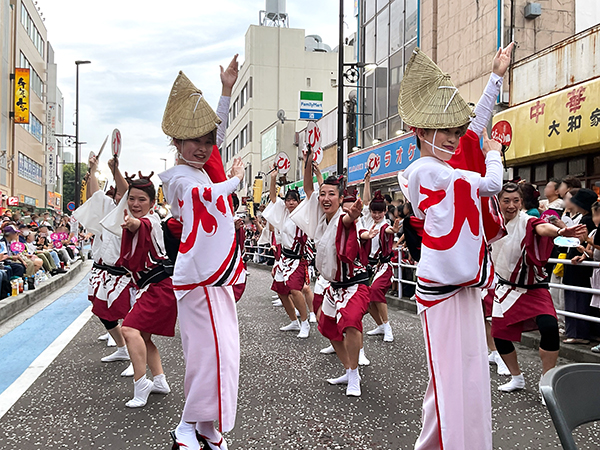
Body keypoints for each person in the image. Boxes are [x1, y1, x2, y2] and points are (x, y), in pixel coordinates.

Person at [397, 46, 508, 449]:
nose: (456, 138)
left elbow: (473, 129)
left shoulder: (441, 168)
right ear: (422, 133)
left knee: (469, 371)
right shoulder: (428, 172)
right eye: (446, 131)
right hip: (444, 289)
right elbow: (491, 181)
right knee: (448, 377)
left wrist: (495, 78)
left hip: (458, 285)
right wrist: (494, 156)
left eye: (455, 132)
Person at [159, 56, 245, 450]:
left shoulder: (201, 167)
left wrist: (226, 89)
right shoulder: (178, 178)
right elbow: (201, 197)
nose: (204, 148)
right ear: (175, 140)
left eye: (207, 141)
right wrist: (236, 183)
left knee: (223, 355)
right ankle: (186, 426)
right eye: (194, 140)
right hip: (198, 277)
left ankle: (207, 427)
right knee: (207, 357)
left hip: (214, 274)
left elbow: (220, 134)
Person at [489, 183, 585, 394]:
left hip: (534, 285)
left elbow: (542, 228)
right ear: (498, 202)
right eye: (506, 200)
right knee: (500, 334)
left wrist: (560, 230)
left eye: (516, 200)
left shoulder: (527, 221)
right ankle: (517, 378)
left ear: (522, 202)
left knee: (549, 327)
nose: (512, 205)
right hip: (506, 287)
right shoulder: (491, 223)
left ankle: (546, 381)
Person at [291, 150, 370, 397]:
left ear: (339, 198)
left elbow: (347, 223)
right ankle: (348, 368)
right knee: (327, 327)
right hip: (332, 285)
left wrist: (353, 216)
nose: (325, 198)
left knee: (350, 324)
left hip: (354, 284)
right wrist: (307, 163)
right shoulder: (319, 219)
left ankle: (355, 374)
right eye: (323, 194)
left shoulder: (342, 218)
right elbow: (307, 189)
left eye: (331, 194)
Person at [73, 154, 135, 369]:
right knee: (101, 311)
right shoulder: (107, 208)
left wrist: (115, 169)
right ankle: (122, 348)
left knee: (130, 318)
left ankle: (137, 358)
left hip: (123, 274)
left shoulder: (131, 213)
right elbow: (95, 196)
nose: (118, 195)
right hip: (102, 271)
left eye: (120, 191)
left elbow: (127, 193)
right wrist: (93, 168)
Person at [263, 168, 314, 338]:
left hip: (298, 258)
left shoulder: (304, 213)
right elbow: (272, 198)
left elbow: (310, 194)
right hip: (284, 257)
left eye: (294, 200)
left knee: (295, 289)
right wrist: (273, 179)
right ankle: (294, 320)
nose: (290, 203)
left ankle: (305, 322)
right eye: (288, 200)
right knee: (281, 290)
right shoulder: (284, 213)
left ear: (299, 202)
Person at [360, 171, 400, 342]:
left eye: (379, 212)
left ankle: (387, 325)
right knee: (366, 300)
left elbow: (389, 231)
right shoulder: (368, 220)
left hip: (383, 265)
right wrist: (367, 182)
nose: (376, 215)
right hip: (367, 266)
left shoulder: (385, 225)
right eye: (374, 212)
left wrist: (395, 230)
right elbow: (366, 201)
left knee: (376, 291)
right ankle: (381, 326)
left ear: (385, 211)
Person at [562, 188, 598, 344]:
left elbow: (586, 242)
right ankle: (578, 332)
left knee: (577, 297)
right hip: (580, 260)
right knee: (579, 297)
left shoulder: (586, 220)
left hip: (580, 265)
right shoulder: (586, 219)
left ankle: (578, 333)